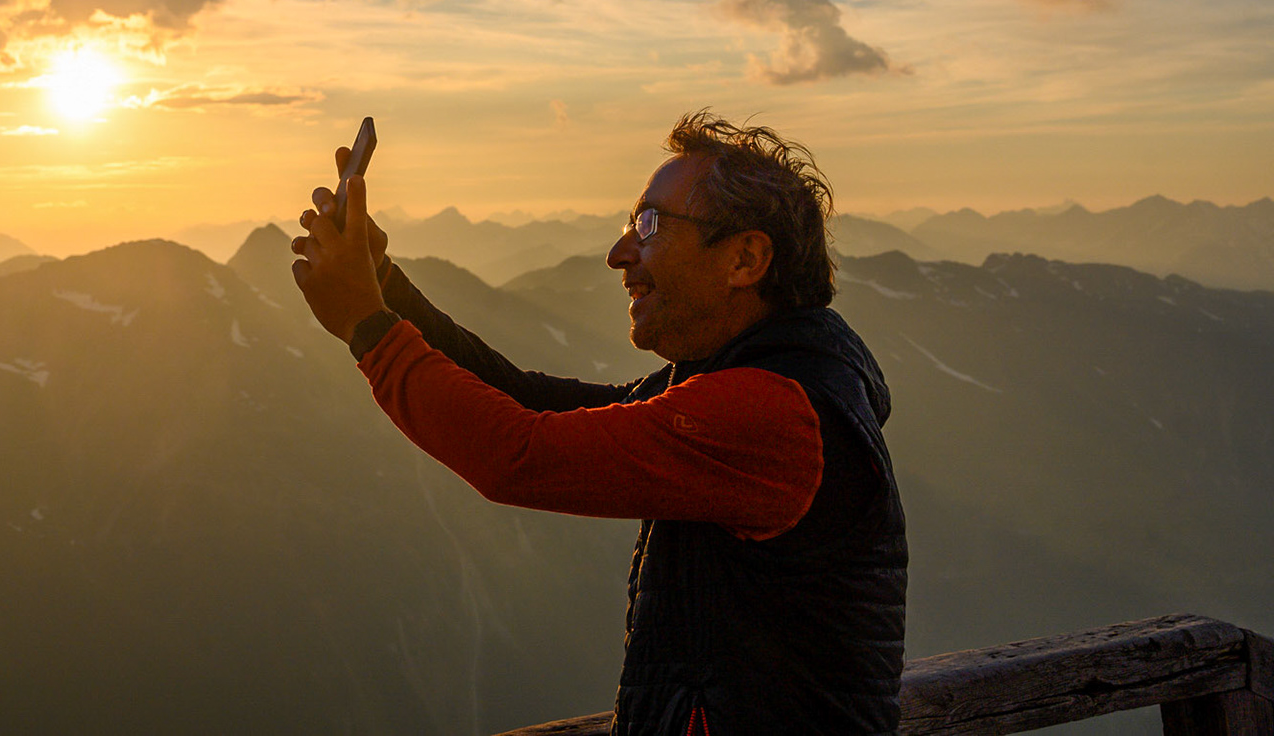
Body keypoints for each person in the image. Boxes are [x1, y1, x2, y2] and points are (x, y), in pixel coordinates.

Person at [291, 111, 907, 735]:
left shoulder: (769, 413)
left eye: (650, 224)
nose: (619, 253)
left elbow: (520, 456)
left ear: (745, 258)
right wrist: (385, 287)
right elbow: (529, 403)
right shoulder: (743, 383)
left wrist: (366, 326)